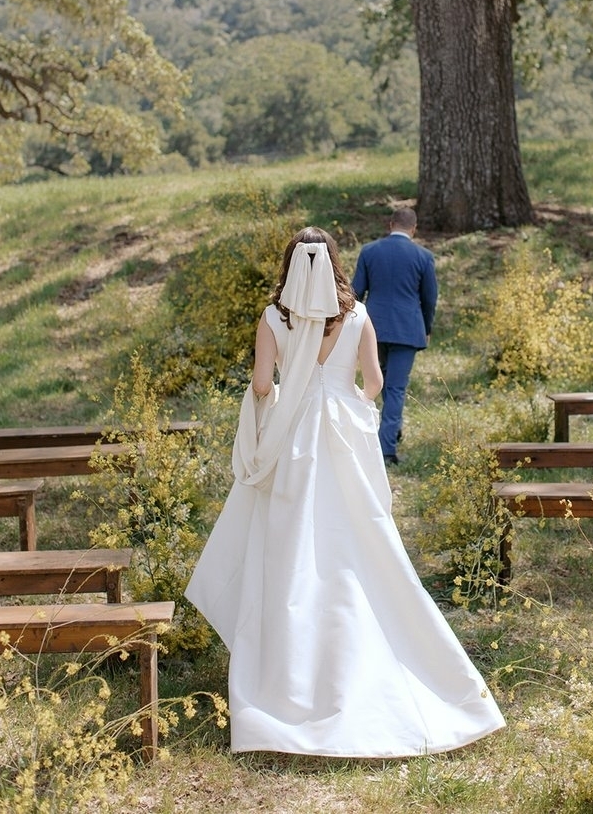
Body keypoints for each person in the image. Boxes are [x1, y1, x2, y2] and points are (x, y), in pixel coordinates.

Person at [185, 226, 504, 758]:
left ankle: (288, 681)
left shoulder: (274, 317)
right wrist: (346, 392)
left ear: (291, 263)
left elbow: (262, 385)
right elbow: (374, 382)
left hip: (293, 439)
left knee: (290, 552)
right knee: (359, 545)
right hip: (342, 438)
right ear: (334, 261)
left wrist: (283, 392)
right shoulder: (356, 314)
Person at [351, 206, 437, 466]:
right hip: (407, 330)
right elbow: (429, 299)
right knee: (395, 387)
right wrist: (427, 327)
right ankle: (386, 449)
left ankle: (390, 430)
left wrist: (351, 326)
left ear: (390, 225)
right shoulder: (423, 256)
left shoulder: (369, 251)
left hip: (373, 328)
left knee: (381, 383)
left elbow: (356, 292)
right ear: (414, 229)